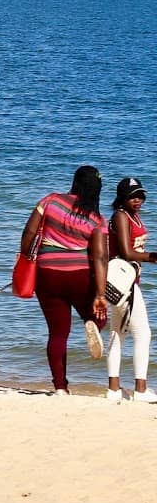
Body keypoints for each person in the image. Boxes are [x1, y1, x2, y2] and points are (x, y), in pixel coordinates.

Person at [20, 165, 110, 395]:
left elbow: (29, 233)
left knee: (58, 333)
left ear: (75, 182)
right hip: (79, 275)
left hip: (47, 273)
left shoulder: (51, 201)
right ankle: (92, 324)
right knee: (97, 318)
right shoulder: (96, 219)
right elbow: (100, 257)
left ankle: (60, 387)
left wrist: (25, 257)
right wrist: (100, 295)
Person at [106, 176, 154, 403]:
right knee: (143, 334)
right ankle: (141, 390)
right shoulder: (121, 216)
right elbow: (125, 252)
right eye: (133, 196)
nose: (138, 200)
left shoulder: (132, 217)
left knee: (118, 333)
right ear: (122, 198)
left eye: (140, 195)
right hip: (123, 282)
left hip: (125, 281)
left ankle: (113, 389)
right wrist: (152, 257)